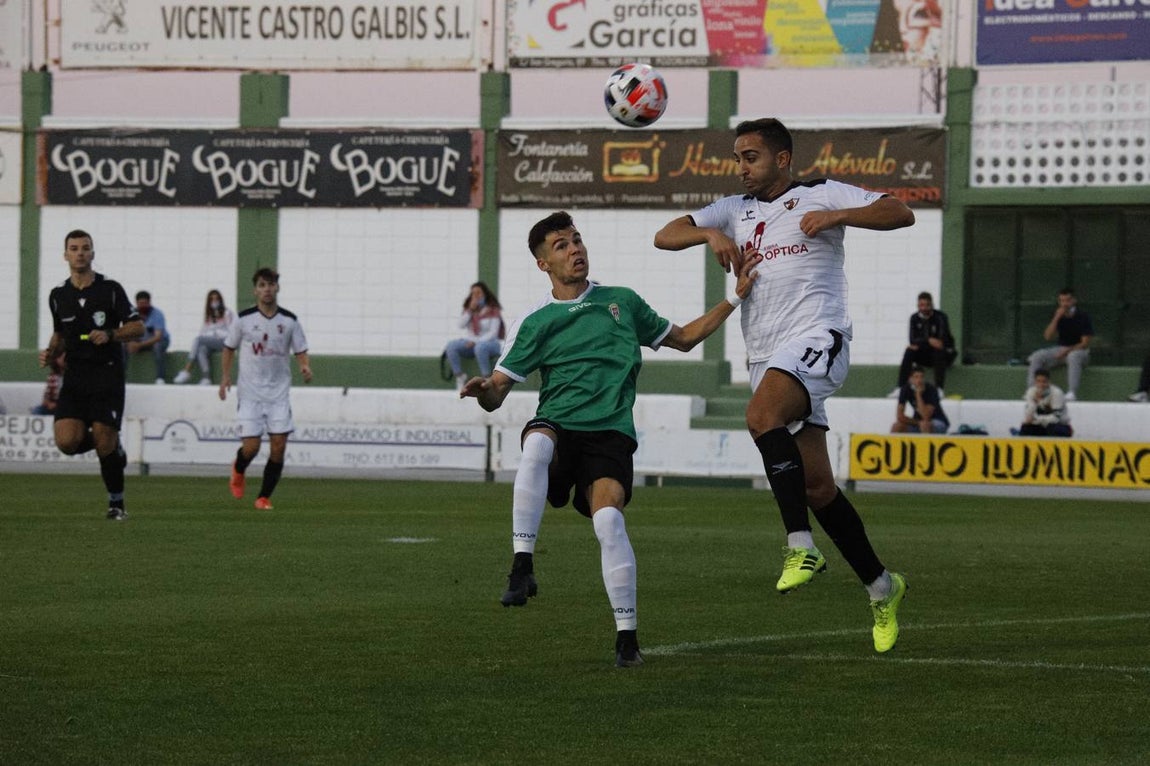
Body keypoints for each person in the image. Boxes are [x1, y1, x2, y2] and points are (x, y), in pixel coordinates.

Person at [653, 117, 915, 653]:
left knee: (759, 416)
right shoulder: (733, 209)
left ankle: (801, 547)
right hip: (765, 352)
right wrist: (708, 231)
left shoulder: (821, 192)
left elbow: (900, 211)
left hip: (818, 334)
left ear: (783, 158)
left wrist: (839, 215)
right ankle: (882, 586)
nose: (742, 167)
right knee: (818, 487)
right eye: (737, 158)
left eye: (751, 157)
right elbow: (664, 235)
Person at [461, 211, 760, 668]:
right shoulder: (537, 321)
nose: (575, 249)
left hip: (609, 438)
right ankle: (522, 565)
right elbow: (497, 392)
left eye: (576, 240)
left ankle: (627, 639)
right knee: (537, 443)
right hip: (560, 429)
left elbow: (681, 339)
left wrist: (735, 299)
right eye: (561, 245)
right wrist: (484, 391)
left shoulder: (622, 301)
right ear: (544, 264)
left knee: (608, 524)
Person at [40, 229, 144, 520]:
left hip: (106, 375)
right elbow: (60, 334)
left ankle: (116, 503)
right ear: (65, 255)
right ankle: (112, 446)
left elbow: (138, 327)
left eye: (85, 248)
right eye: (74, 248)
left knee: (103, 438)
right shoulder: (58, 295)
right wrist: (50, 352)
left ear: (92, 253)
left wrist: (111, 334)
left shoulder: (110, 289)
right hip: (75, 378)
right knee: (67, 442)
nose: (80, 253)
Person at [219, 268, 312, 511]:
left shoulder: (289, 320)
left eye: (270, 284)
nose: (267, 289)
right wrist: (225, 376)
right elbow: (229, 348)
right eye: (262, 285)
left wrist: (304, 367)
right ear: (255, 290)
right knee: (251, 447)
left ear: (277, 288)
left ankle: (263, 497)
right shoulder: (244, 319)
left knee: (279, 445)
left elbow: (300, 349)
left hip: (278, 393)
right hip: (250, 393)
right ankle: (239, 468)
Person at [1027, 288, 1092, 401]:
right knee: (1037, 356)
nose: (1065, 304)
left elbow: (1085, 343)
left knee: (1073, 356)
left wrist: (1067, 351)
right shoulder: (1057, 315)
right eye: (1062, 301)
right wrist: (1056, 318)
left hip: (1079, 351)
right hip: (1060, 349)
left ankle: (1072, 392)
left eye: (1067, 300)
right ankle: (1032, 391)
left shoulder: (1083, 316)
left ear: (1074, 301)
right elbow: (1048, 336)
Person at [889, 291, 955, 397]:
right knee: (909, 351)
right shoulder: (914, 318)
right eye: (921, 305)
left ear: (932, 305)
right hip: (925, 353)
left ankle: (939, 389)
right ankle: (900, 387)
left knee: (938, 351)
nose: (924, 308)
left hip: (942, 355)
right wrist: (928, 340)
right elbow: (912, 340)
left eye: (927, 305)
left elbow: (941, 341)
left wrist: (922, 342)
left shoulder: (941, 317)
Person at [444, 282, 504, 390]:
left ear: (485, 294)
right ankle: (460, 376)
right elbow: (461, 325)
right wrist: (470, 310)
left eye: (479, 293)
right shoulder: (470, 310)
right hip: (472, 343)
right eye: (473, 294)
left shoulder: (493, 310)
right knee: (451, 346)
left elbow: (493, 333)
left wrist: (477, 341)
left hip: (491, 343)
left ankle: (486, 378)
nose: (476, 296)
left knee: (480, 347)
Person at [174, 289, 235, 385]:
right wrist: (209, 335)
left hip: (225, 341)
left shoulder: (227, 313)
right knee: (201, 349)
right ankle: (206, 377)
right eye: (212, 299)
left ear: (220, 300)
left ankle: (187, 370)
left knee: (198, 340)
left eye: (216, 299)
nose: (214, 301)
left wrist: (216, 333)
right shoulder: (209, 315)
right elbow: (203, 331)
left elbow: (232, 332)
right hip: (212, 342)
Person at [125, 290, 170, 383]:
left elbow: (158, 337)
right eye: (140, 303)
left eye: (145, 303)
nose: (142, 306)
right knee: (122, 347)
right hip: (140, 340)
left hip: (158, 341)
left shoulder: (157, 314)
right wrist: (130, 343)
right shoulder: (132, 314)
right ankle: (122, 377)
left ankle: (160, 378)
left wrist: (139, 345)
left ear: (149, 302)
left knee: (158, 347)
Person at [891, 365, 948, 434]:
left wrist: (918, 395)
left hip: (938, 421)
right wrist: (918, 422)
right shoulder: (905, 389)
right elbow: (900, 416)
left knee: (925, 425)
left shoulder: (931, 389)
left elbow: (926, 416)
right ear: (910, 379)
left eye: (922, 377)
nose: (919, 380)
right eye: (916, 377)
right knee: (897, 426)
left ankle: (925, 444)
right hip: (919, 421)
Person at [1015, 369, 1072, 437]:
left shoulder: (1056, 393)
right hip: (1041, 425)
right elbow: (1028, 417)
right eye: (1038, 381)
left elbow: (1056, 418)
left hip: (1060, 425)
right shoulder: (1031, 392)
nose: (1041, 384)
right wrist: (1034, 403)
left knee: (1053, 428)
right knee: (1025, 428)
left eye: (1044, 382)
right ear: (1035, 382)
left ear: (1049, 382)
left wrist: (1036, 420)